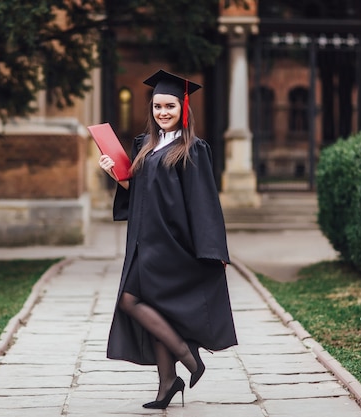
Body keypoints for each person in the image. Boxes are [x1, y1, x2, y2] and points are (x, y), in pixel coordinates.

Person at [98, 69, 237, 409]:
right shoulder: (145, 145)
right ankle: (167, 383)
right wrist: (117, 175)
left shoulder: (192, 149)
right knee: (150, 305)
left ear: (183, 109)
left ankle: (186, 356)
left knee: (130, 301)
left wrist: (212, 249)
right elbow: (141, 192)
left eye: (170, 106)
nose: (163, 112)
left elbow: (204, 202)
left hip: (173, 245)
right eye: (158, 106)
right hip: (145, 242)